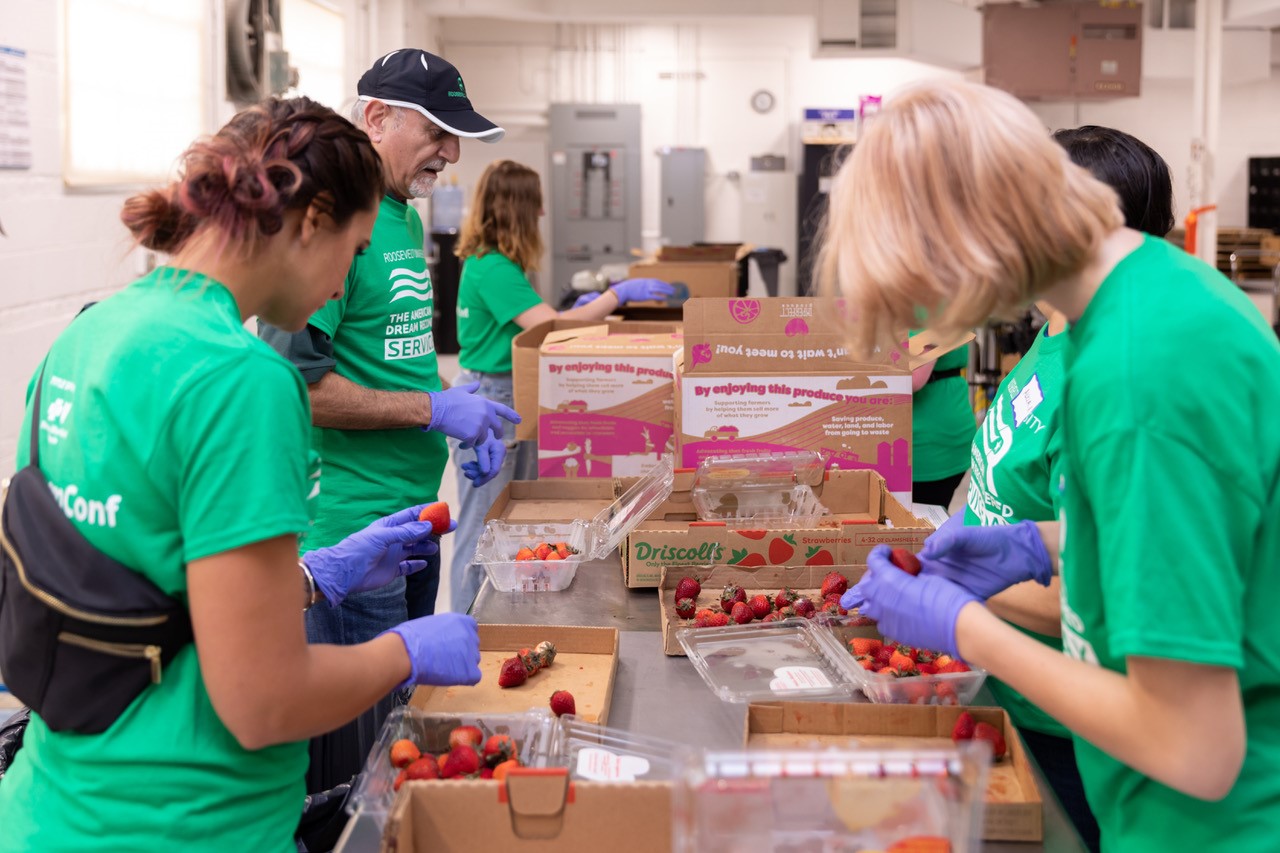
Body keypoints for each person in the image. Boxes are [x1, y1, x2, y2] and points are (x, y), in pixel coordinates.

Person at [0, 97, 482, 853]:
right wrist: (408, 649)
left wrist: (313, 574)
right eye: (354, 252)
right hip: (189, 822)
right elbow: (263, 700)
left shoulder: (92, 332)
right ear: (312, 219)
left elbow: (130, 577)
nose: (346, 283)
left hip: (53, 811)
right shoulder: (243, 379)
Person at [825, 79, 1280, 852]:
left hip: (1209, 824)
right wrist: (1042, 543)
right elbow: (1203, 532)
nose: (931, 316)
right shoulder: (1151, 296)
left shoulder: (1139, 377)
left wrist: (967, 625)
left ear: (966, 243)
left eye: (920, 288)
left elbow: (1196, 749)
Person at [258, 49, 518, 791]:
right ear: (376, 117)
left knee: (396, 745)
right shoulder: (332, 223)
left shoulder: (398, 217)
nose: (452, 150)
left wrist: (451, 414)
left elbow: (388, 351)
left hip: (411, 521)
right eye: (437, 128)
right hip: (348, 533)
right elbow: (296, 386)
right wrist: (433, 407)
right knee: (358, 771)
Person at [957, 125, 1175, 853]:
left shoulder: (1123, 381)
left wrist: (959, 586)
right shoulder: (1057, 331)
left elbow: (1103, 598)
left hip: (1076, 730)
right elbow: (1069, 527)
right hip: (1014, 694)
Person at [448, 159, 673, 612]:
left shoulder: (498, 265)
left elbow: (539, 319)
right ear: (518, 208)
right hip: (491, 397)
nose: (543, 216)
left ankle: (500, 617)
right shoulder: (491, 266)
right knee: (483, 528)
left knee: (508, 518)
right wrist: (616, 295)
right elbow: (546, 325)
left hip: (504, 392)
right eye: (536, 206)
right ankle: (466, 629)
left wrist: (584, 308)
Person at [909, 333, 973, 508]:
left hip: (926, 444)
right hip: (936, 432)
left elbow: (913, 378)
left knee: (918, 525)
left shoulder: (925, 309)